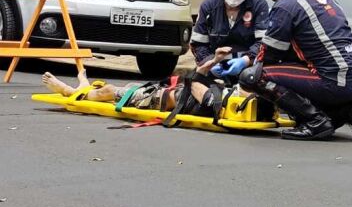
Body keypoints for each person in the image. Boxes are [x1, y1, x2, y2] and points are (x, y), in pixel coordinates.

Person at [237, 0, 352, 141]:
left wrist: (246, 65)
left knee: (254, 76)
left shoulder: (286, 5)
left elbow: (268, 54)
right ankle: (349, 109)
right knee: (291, 72)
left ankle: (316, 122)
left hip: (333, 80)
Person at [41, 47, 235, 118]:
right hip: (161, 92)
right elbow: (197, 79)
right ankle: (83, 86)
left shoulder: (213, 101)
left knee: (108, 91)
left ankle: (69, 91)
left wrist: (211, 67)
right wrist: (215, 60)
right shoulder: (223, 96)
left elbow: (194, 81)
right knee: (127, 88)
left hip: (155, 99)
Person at [190, 0, 269, 79]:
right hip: (214, 63)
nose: (233, 1)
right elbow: (198, 44)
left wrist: (246, 60)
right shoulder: (209, 5)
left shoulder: (258, 5)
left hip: (248, 66)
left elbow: (264, 43)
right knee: (193, 82)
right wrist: (209, 62)